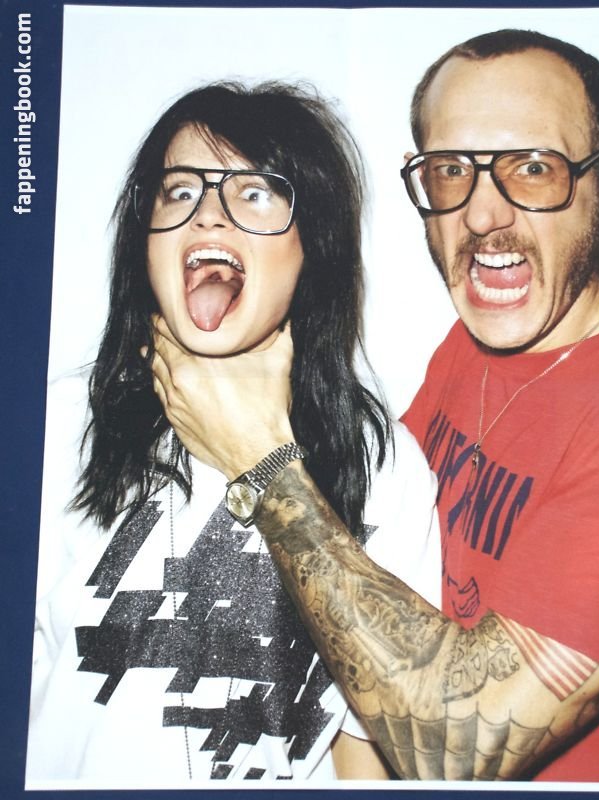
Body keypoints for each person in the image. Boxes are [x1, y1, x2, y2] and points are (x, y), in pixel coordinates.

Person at [147, 29, 599, 783]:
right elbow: (372, 601)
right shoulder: (476, 344)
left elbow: (457, 744)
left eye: (532, 168)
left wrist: (261, 463)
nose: (483, 216)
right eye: (450, 172)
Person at [26, 81, 440, 786]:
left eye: (255, 193)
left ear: (312, 248)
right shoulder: (58, 424)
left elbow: (367, 743)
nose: (210, 214)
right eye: (180, 191)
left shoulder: (383, 463)